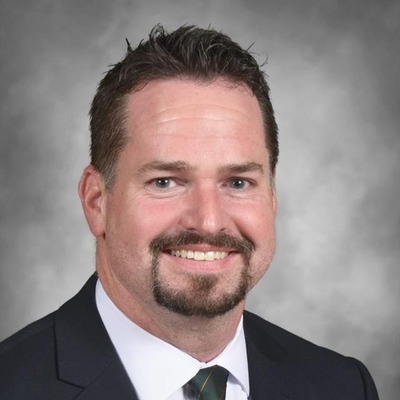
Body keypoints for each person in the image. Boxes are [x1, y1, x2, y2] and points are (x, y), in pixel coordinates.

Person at [0, 24, 379, 400]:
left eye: (238, 182)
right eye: (165, 182)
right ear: (96, 201)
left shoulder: (342, 386)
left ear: (272, 196)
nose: (208, 221)